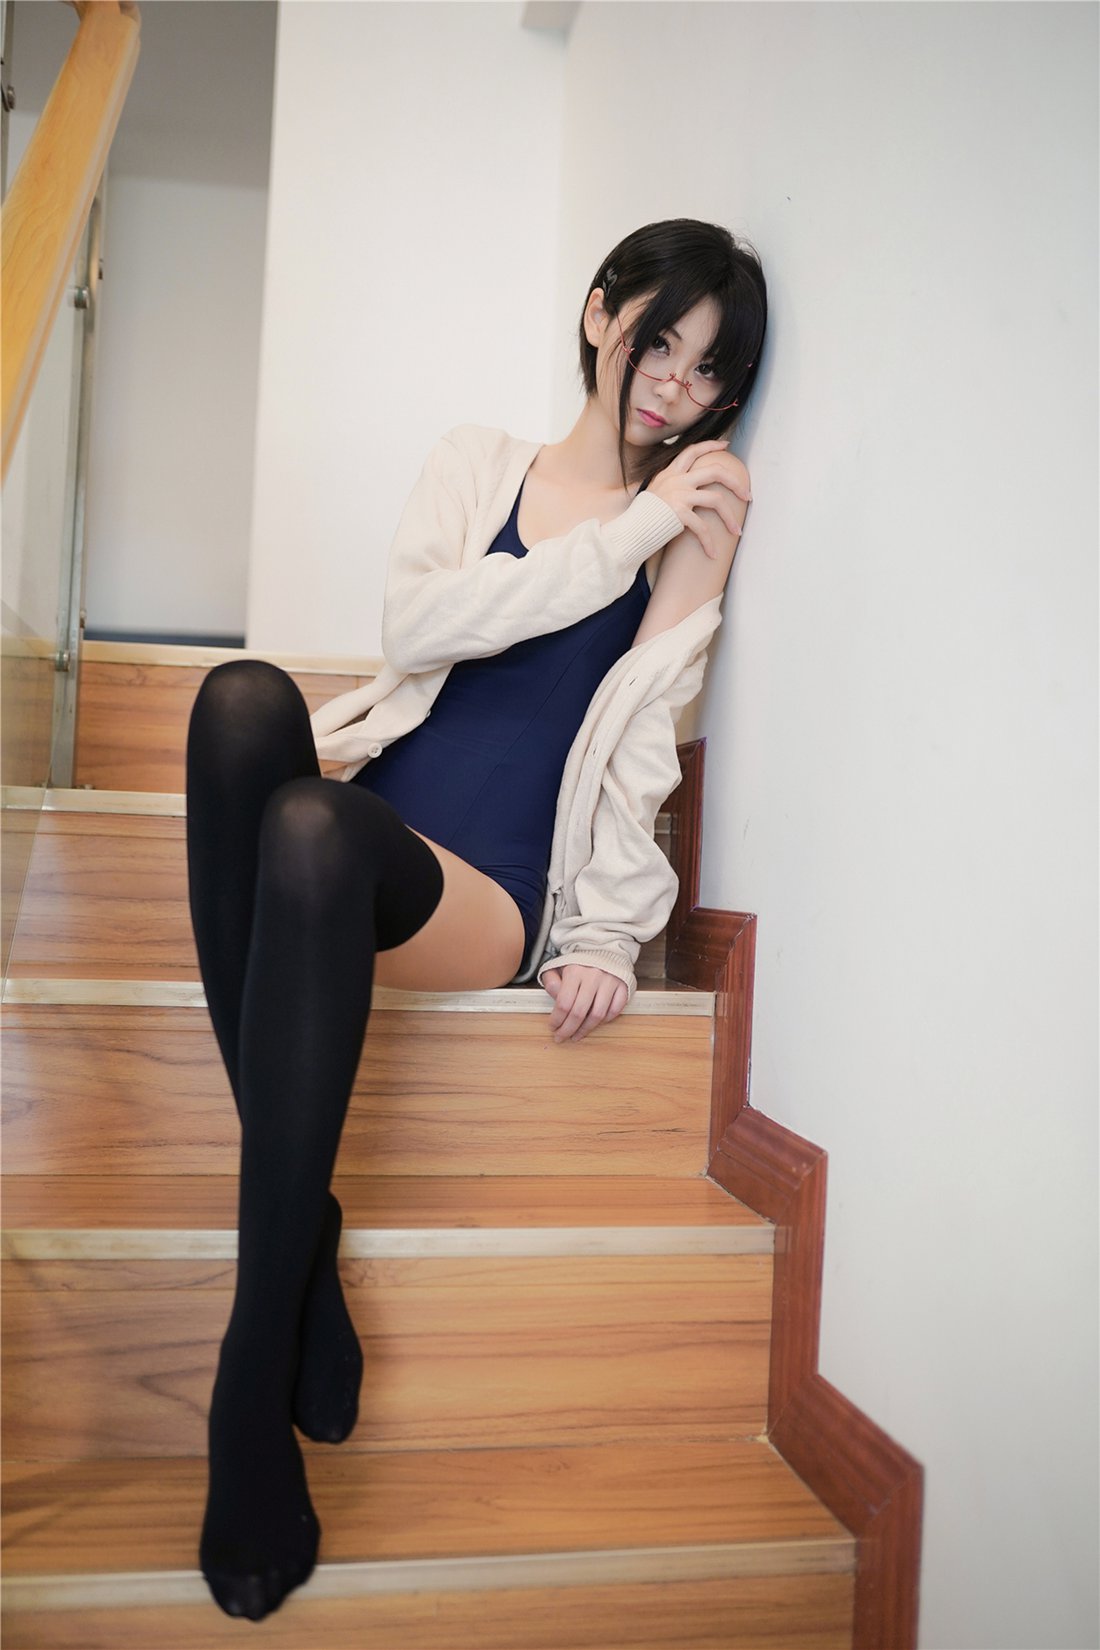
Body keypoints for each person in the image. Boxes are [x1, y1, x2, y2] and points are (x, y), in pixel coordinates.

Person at [185, 217, 767, 1620]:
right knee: (241, 705)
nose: (675, 387)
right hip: (367, 827)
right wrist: (624, 530)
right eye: (659, 342)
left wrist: (606, 934)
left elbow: (641, 740)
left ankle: (248, 1382)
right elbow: (416, 628)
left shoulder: (694, 516)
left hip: (488, 894)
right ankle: (305, 1240)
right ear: (601, 314)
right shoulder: (477, 461)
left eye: (709, 370)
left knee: (309, 828)